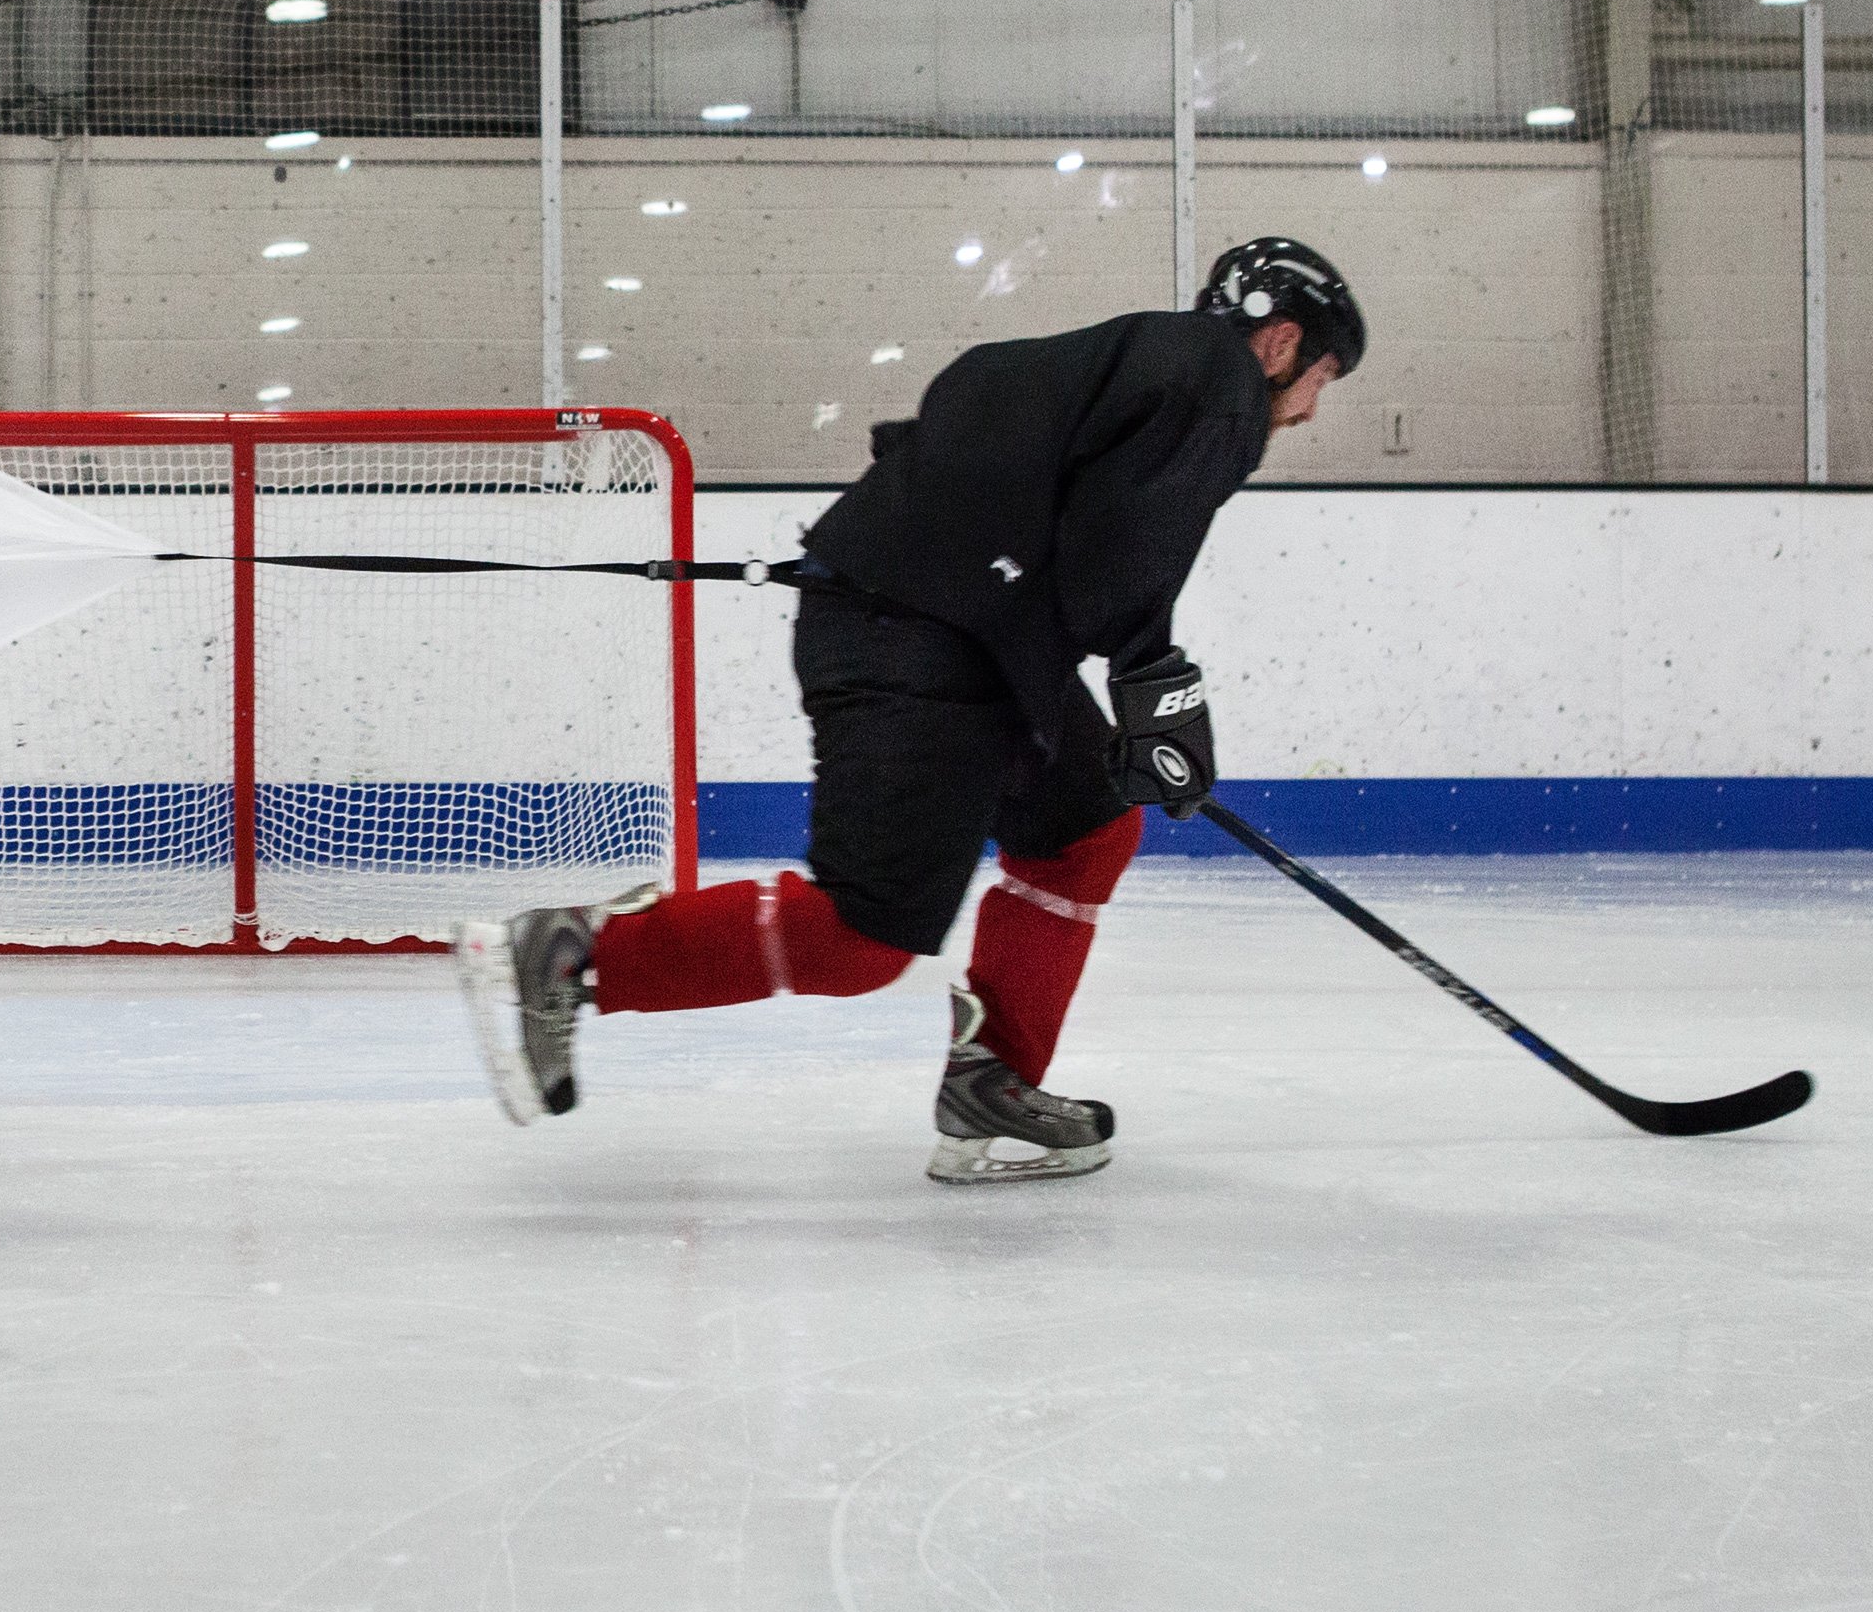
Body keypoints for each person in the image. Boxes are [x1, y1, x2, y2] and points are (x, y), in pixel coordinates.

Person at [455, 236, 1365, 1184]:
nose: (1311, 404)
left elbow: (1019, 460)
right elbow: (1121, 560)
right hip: (918, 639)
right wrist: (1158, 689)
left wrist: (1149, 692)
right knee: (864, 935)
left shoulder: (1133, 361)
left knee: (1086, 828)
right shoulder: (1216, 381)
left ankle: (994, 1080)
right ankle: (577, 956)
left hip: (959, 634)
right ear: (1279, 342)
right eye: (1323, 376)